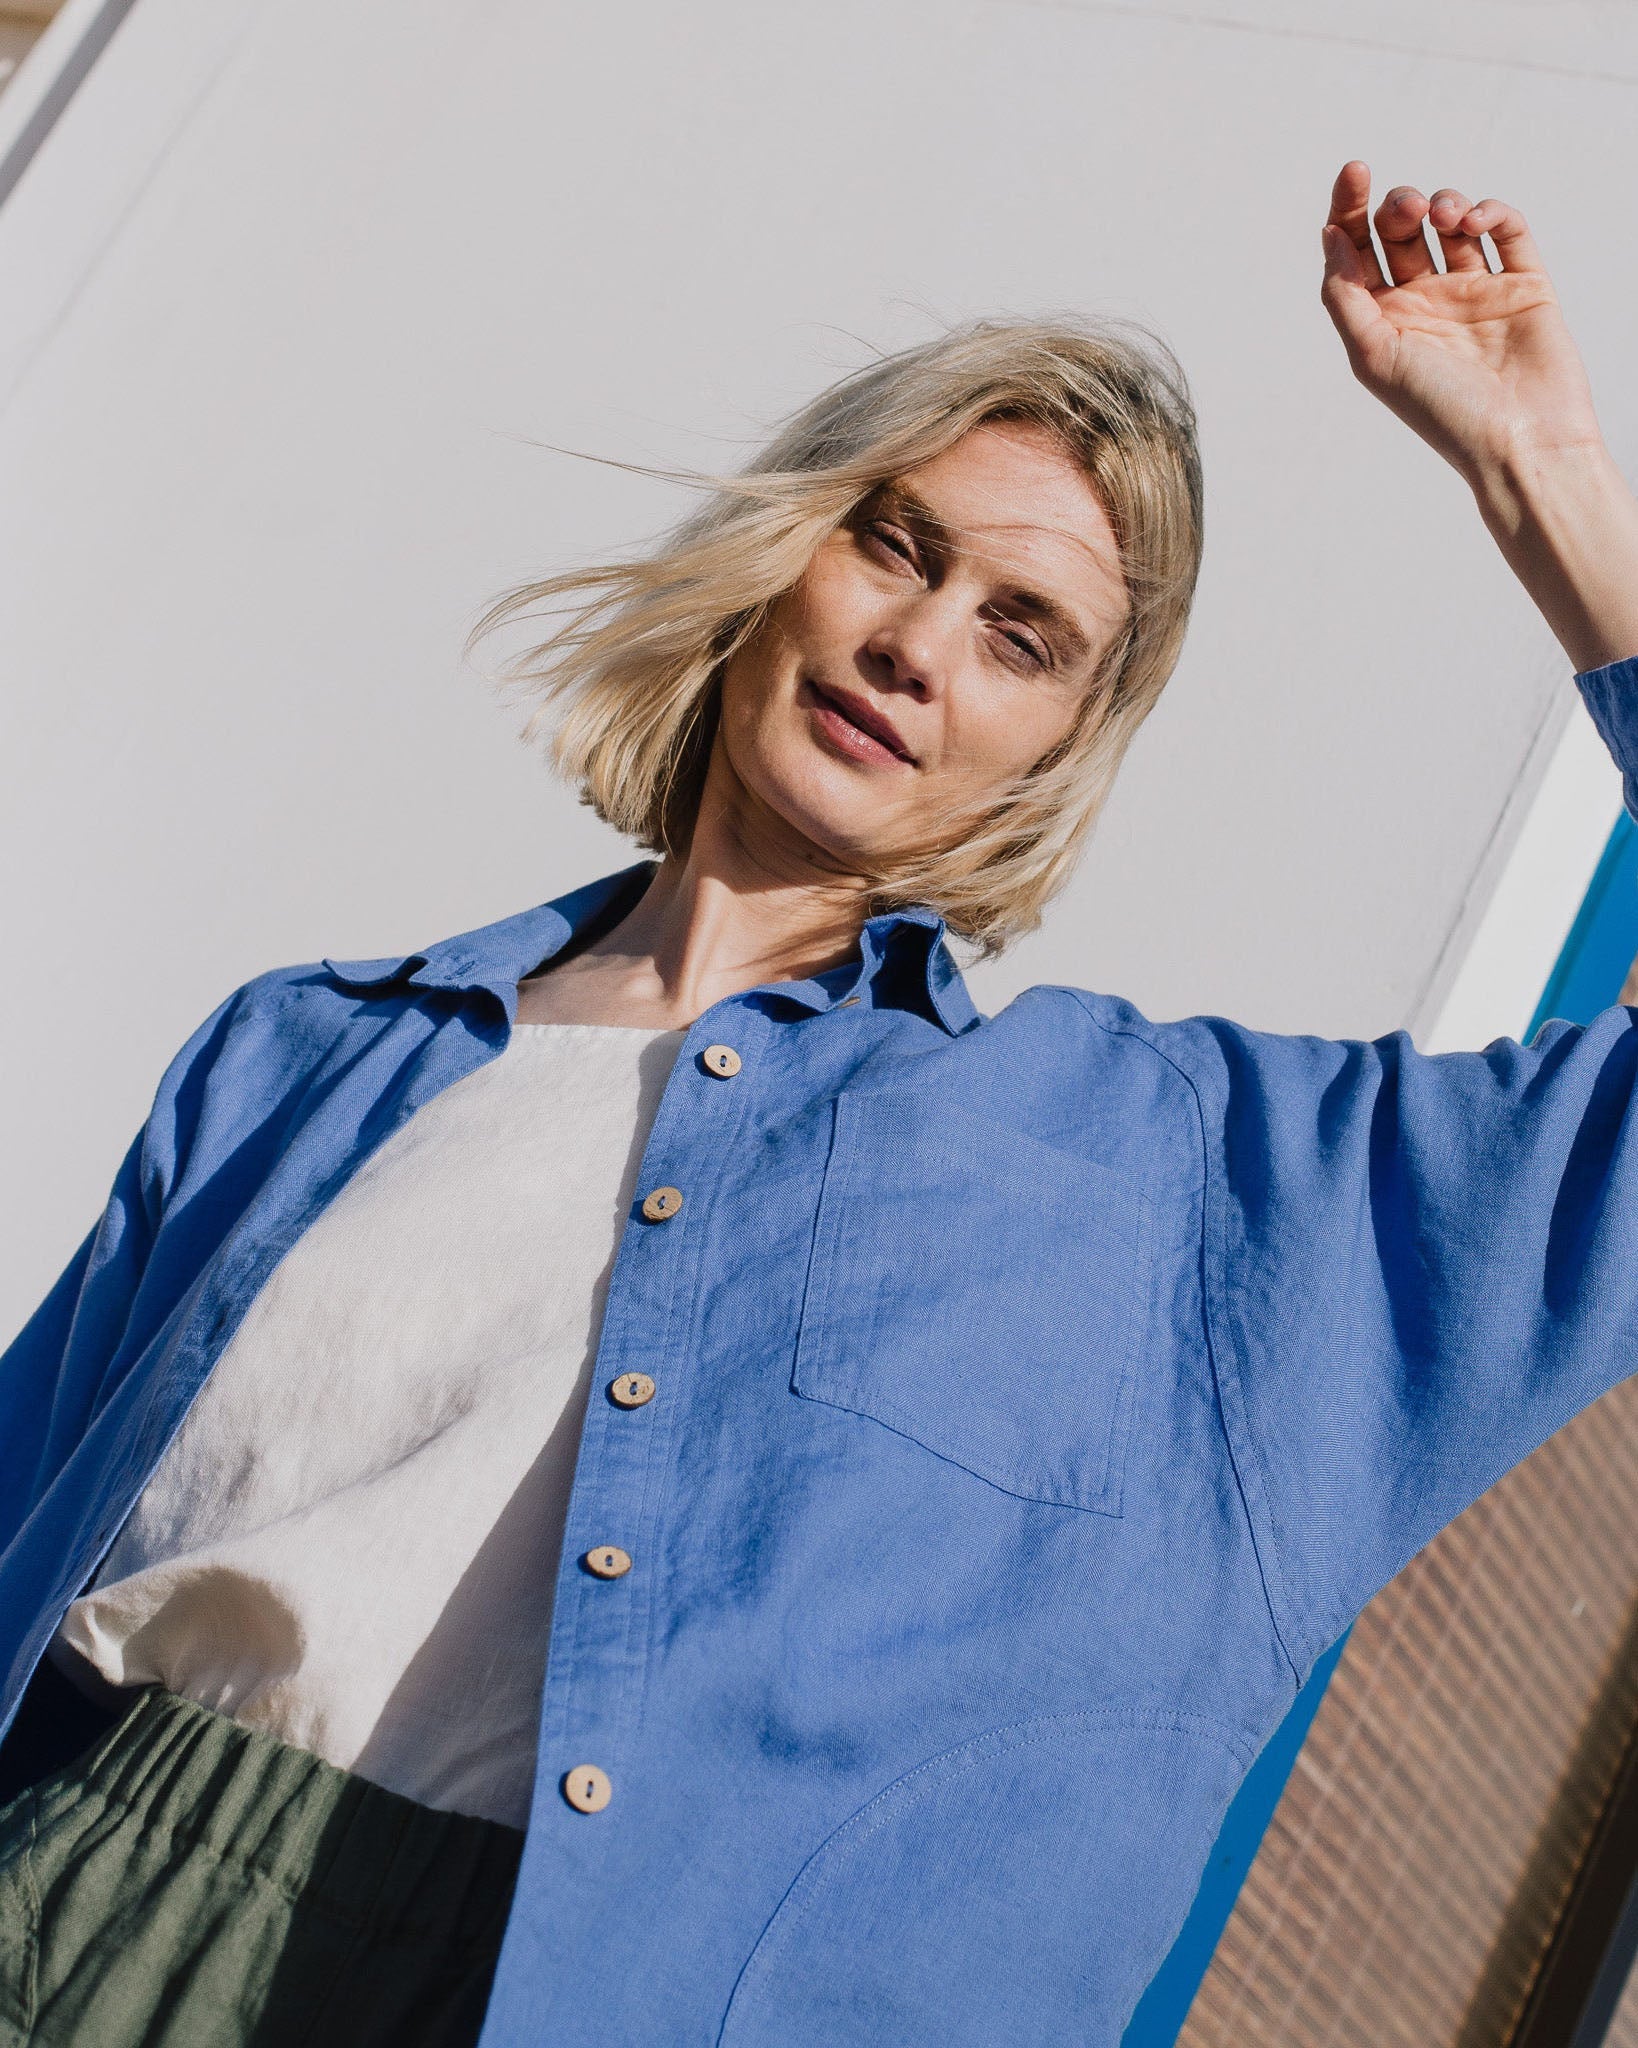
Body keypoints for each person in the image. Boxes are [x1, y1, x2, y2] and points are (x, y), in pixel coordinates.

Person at [3, 160, 1638, 2048]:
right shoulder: (305, 1054)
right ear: (781, 550)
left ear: (1061, 750)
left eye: (1022, 636)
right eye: (896, 547)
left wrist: (1540, 470)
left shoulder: (1192, 1197)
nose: (917, 648)